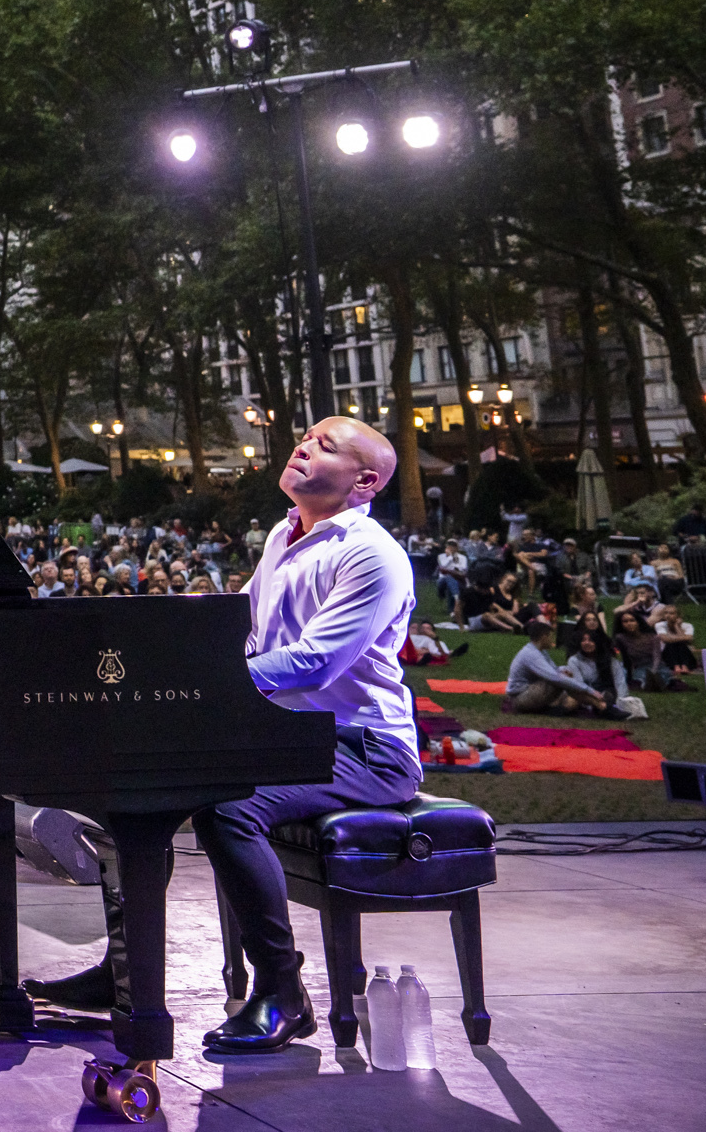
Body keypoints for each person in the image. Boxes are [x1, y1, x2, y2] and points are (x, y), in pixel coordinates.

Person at [24, 416, 420, 1056]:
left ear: (365, 481)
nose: (303, 445)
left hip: (365, 749)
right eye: (306, 436)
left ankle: (283, 991)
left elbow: (315, 661)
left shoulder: (371, 554)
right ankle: (126, 972)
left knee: (229, 807)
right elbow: (246, 633)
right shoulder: (284, 536)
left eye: (326, 445)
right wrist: (173, 667)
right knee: (139, 794)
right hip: (287, 733)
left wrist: (211, 687)